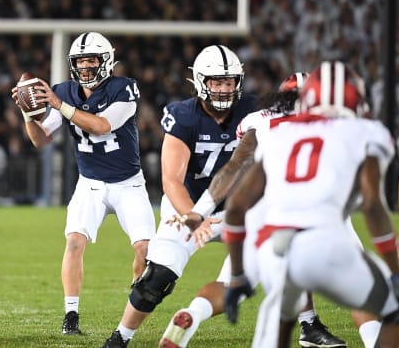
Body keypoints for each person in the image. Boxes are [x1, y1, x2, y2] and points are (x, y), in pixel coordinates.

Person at [159, 72, 379, 347]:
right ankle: (372, 341)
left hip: (268, 209)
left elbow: (234, 168)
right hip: (321, 207)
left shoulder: (259, 120)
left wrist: (200, 211)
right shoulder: (335, 123)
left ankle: (193, 313)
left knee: (231, 284)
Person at [223, 60, 399, 347]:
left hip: (272, 247)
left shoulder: (278, 133)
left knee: (284, 312)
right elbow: (372, 205)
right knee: (398, 311)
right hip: (324, 243)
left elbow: (236, 206)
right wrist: (396, 273)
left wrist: (237, 276)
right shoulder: (365, 132)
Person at [100, 44, 256, 348]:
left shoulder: (253, 112)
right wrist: (195, 218)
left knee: (239, 283)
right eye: (216, 82)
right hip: (189, 207)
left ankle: (308, 323)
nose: (224, 89)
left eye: (229, 81)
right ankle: (120, 337)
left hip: (239, 211)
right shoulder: (183, 116)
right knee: (154, 280)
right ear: (200, 81)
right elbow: (171, 180)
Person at [11, 31, 156, 335]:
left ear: (106, 61)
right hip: (90, 183)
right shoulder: (67, 91)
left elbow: (102, 126)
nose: (86, 67)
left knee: (144, 249)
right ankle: (71, 316)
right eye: (81, 61)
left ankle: (134, 310)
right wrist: (28, 115)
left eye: (92, 60)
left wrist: (60, 105)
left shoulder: (124, 88)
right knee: (75, 241)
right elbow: (41, 139)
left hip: (128, 183)